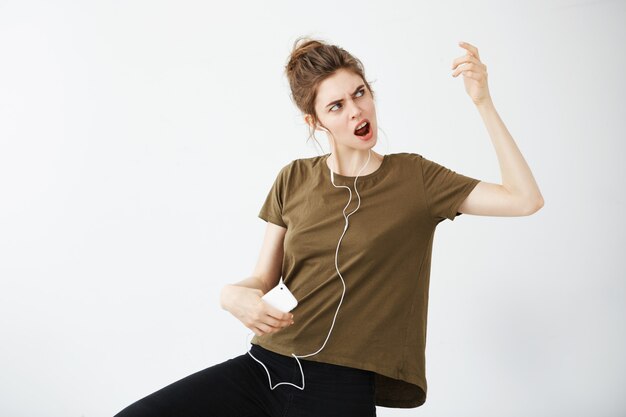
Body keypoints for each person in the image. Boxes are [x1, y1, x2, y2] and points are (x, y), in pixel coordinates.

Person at [114, 36, 544, 416]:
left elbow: (524, 199)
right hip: (264, 367)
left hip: (339, 388)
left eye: (360, 94)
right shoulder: (294, 178)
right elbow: (264, 278)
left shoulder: (417, 179)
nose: (356, 111)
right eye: (336, 106)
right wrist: (231, 296)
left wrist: (482, 101)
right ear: (315, 122)